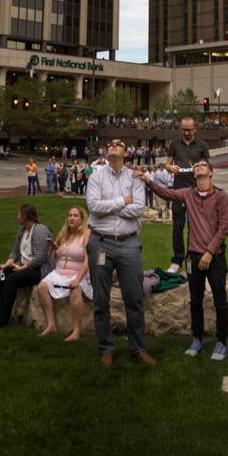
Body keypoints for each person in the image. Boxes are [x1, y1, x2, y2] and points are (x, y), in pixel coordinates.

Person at [137, 159, 228, 360]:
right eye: (196, 166)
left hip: (215, 257)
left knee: (220, 301)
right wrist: (147, 180)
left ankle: (222, 342)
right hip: (194, 256)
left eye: (203, 165)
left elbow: (224, 228)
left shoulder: (221, 196)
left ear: (211, 173)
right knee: (195, 301)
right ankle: (197, 339)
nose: (199, 167)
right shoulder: (188, 194)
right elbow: (166, 193)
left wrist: (209, 252)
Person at [86, 139, 154, 367]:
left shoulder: (134, 177)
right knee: (100, 298)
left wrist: (110, 204)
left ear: (126, 152)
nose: (114, 145)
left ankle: (138, 347)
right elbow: (93, 206)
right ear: (107, 150)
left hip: (128, 245)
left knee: (134, 298)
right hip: (100, 243)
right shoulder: (96, 176)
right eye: (111, 143)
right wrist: (123, 201)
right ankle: (106, 347)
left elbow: (138, 209)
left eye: (119, 143)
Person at [0, 204, 54, 327]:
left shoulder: (40, 230)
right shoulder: (22, 230)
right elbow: (15, 252)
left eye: (18, 214)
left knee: (11, 280)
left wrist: (21, 268)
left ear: (25, 216)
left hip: (37, 270)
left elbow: (40, 258)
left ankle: (0, 320)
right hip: (23, 266)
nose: (17, 217)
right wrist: (5, 265)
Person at [37, 205, 94, 342]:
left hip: (78, 272)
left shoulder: (86, 234)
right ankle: (51, 325)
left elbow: (88, 259)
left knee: (75, 290)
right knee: (42, 287)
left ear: (82, 219)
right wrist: (53, 249)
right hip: (59, 272)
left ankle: (76, 331)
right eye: (70, 215)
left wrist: (78, 279)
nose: (72, 218)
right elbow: (54, 257)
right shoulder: (63, 234)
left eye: (75, 216)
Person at [164, 117, 211, 272]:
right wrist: (170, 168)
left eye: (189, 129)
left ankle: (193, 256)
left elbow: (208, 166)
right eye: (184, 129)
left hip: (196, 189)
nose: (186, 132)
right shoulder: (175, 144)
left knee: (195, 226)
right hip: (178, 189)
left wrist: (201, 167)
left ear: (195, 129)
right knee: (177, 225)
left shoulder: (202, 145)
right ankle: (177, 260)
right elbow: (167, 163)